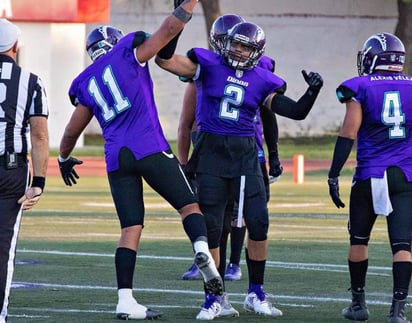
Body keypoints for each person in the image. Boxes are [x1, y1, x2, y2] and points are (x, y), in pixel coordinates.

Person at [57, 1, 224, 320]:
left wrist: (64, 158)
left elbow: (70, 131)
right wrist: (188, 4)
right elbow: (167, 32)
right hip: (148, 146)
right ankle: (201, 249)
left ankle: (125, 300)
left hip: (117, 159)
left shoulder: (85, 81)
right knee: (189, 207)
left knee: (130, 228)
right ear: (115, 41)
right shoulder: (127, 52)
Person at [156, 20, 323, 320]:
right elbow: (164, 59)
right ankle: (215, 298)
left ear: (256, 52)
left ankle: (256, 293)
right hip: (210, 155)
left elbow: (295, 111)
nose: (238, 49)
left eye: (245, 46)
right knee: (212, 231)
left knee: (258, 223)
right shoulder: (206, 64)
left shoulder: (263, 78)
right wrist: (178, 23)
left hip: (245, 158)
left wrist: (312, 92)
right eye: (235, 43)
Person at [180, 14, 282, 288]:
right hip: (211, 145)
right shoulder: (206, 67)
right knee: (214, 215)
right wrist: (184, 159)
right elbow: (186, 122)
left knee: (250, 213)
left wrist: (273, 153)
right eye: (228, 42)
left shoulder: (261, 68)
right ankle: (212, 268)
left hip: (249, 147)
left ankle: (236, 263)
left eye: (239, 43)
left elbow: (270, 113)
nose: (234, 48)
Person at [327, 32, 412, 323]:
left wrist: (333, 174)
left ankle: (358, 305)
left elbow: (348, 133)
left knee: (359, 239)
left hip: (370, 174)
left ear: (374, 57)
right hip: (406, 176)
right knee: (403, 245)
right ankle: (398, 312)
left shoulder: (359, 86)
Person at [0, 19, 49, 323]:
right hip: (10, 169)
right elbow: (40, 135)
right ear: (15, 47)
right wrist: (39, 181)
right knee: (3, 245)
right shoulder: (30, 80)